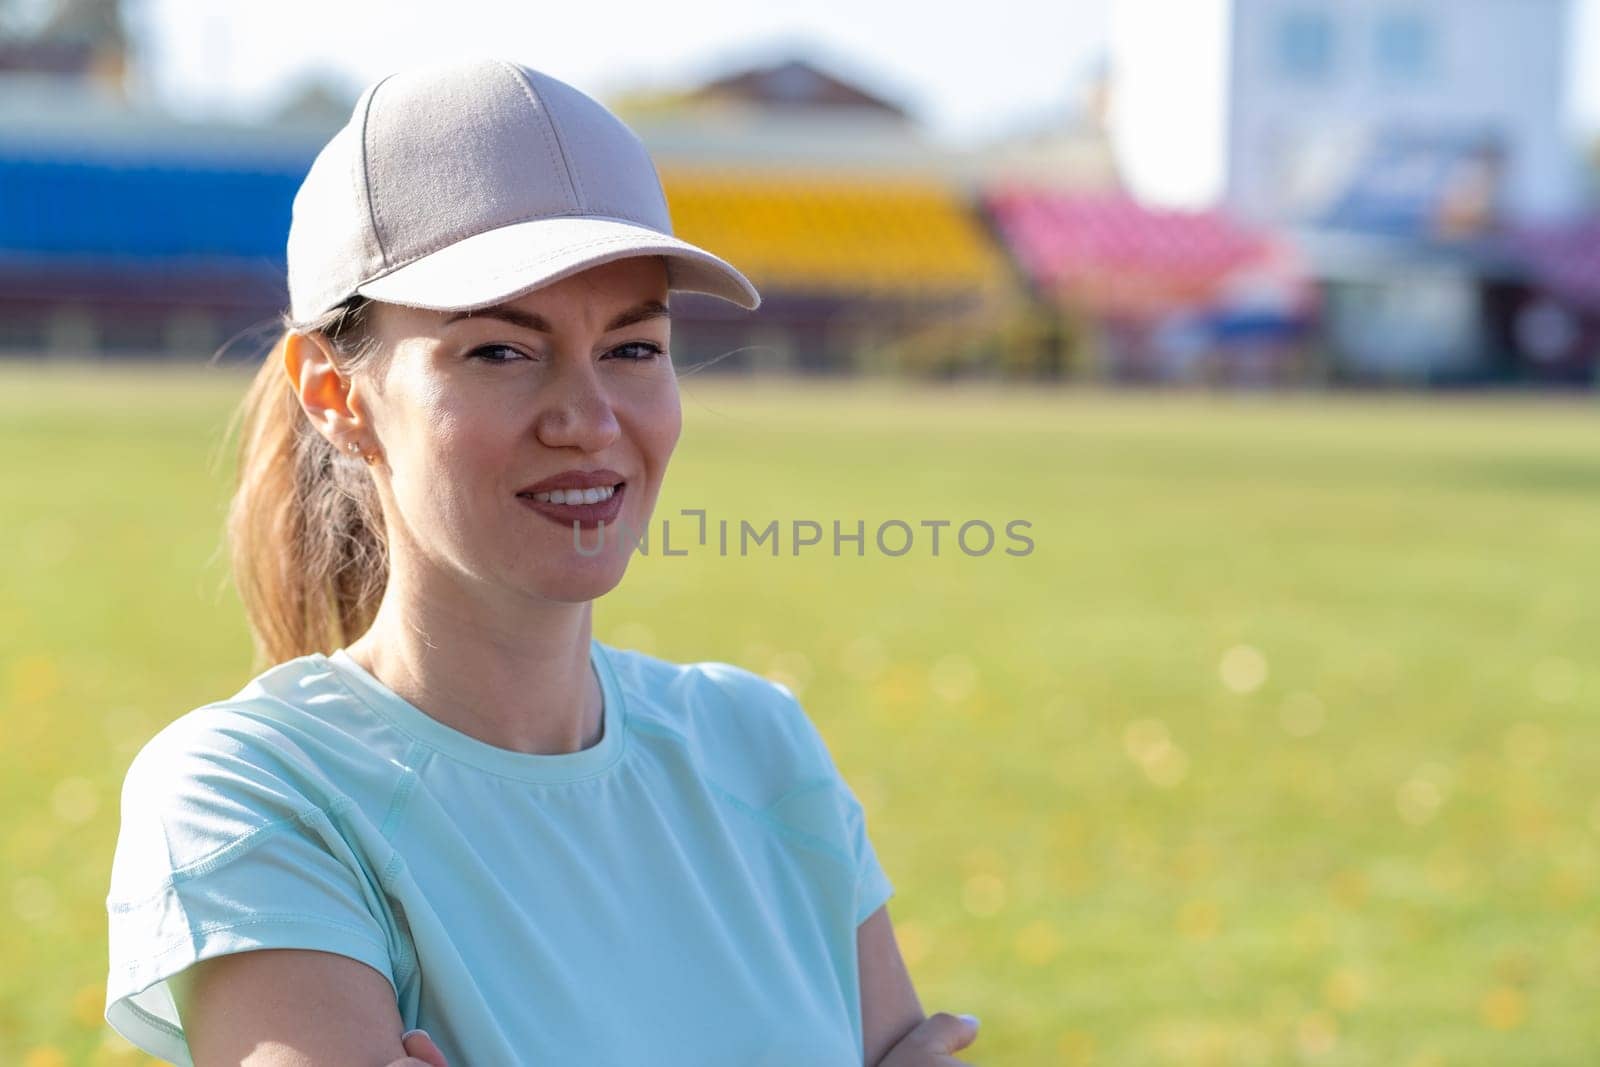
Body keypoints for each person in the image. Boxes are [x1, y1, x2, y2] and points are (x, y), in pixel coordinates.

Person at [102, 58, 981, 1066]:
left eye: (634, 347)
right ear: (334, 394)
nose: (589, 420)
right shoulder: (260, 794)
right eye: (499, 351)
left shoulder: (759, 745)